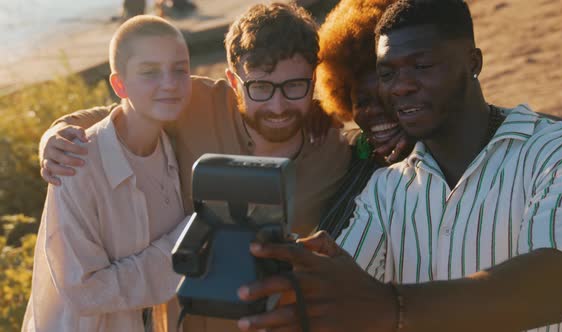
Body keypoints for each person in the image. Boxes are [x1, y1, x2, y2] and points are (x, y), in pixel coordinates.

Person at [235, 1, 562, 331]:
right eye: (387, 73)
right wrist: (303, 281)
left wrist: (393, 306)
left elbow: (553, 286)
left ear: (473, 63)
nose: (401, 87)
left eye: (421, 66)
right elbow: (347, 294)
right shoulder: (385, 189)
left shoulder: (558, 151)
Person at [37, 3, 351, 331]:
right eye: (260, 87)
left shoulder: (335, 146)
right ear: (232, 80)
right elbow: (126, 111)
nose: (278, 106)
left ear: (314, 79)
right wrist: (55, 133)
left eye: (294, 86)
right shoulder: (196, 102)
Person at [22, 15, 192, 331]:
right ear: (119, 84)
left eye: (180, 69)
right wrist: (185, 245)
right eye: (150, 72)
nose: (169, 83)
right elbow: (84, 292)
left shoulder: (171, 147)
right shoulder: (76, 163)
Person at [315, 0, 413, 238]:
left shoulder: (445, 155)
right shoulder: (352, 159)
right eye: (362, 103)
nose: (373, 112)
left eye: (386, 99)